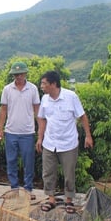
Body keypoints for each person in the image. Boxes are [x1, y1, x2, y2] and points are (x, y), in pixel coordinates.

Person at [35, 70, 93, 213]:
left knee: (69, 173)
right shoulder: (45, 99)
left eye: (44, 83)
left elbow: (82, 117)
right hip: (50, 142)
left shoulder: (71, 97)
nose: (42, 86)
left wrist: (88, 136)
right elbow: (42, 118)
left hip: (68, 143)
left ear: (53, 84)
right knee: (48, 172)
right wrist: (40, 138)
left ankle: (69, 200)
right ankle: (51, 199)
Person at [0, 61, 40, 199]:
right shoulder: (7, 89)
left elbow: (37, 109)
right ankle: (14, 188)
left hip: (27, 132)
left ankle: (28, 189)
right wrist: (0, 129)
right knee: (11, 161)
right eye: (15, 74)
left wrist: (40, 131)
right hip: (11, 131)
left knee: (28, 161)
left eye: (20, 74)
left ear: (25, 73)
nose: (18, 77)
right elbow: (3, 110)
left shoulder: (33, 89)